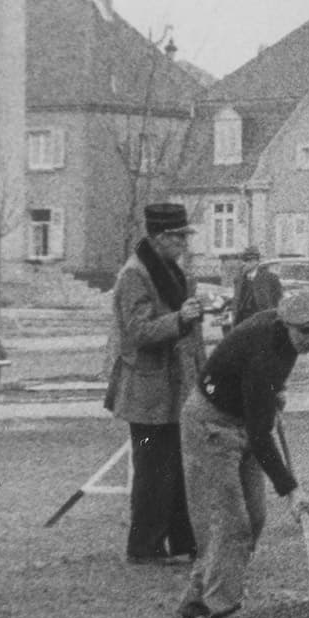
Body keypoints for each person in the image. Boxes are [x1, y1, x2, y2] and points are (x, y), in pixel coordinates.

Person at [178, 290, 309, 618]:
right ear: (287, 324)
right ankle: (223, 614)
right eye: (304, 332)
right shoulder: (264, 352)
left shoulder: (282, 338)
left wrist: (273, 392)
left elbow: (259, 399)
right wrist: (291, 489)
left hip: (242, 419)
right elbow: (262, 437)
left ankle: (199, 597)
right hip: (211, 426)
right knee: (233, 521)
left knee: (256, 517)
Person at [105, 202, 208, 565]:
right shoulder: (135, 274)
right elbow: (136, 331)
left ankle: (183, 542)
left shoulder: (171, 270)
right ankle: (144, 547)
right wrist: (180, 319)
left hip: (174, 388)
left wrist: (202, 371)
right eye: (179, 237)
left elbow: (187, 333)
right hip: (147, 393)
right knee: (152, 472)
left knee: (177, 467)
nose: (184, 244)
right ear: (161, 237)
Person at [230, 246, 282, 326]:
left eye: (249, 260)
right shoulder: (239, 279)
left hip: (261, 320)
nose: (246, 263)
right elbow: (236, 300)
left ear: (256, 261)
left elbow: (277, 300)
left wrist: (272, 318)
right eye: (245, 260)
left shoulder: (271, 278)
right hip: (242, 320)